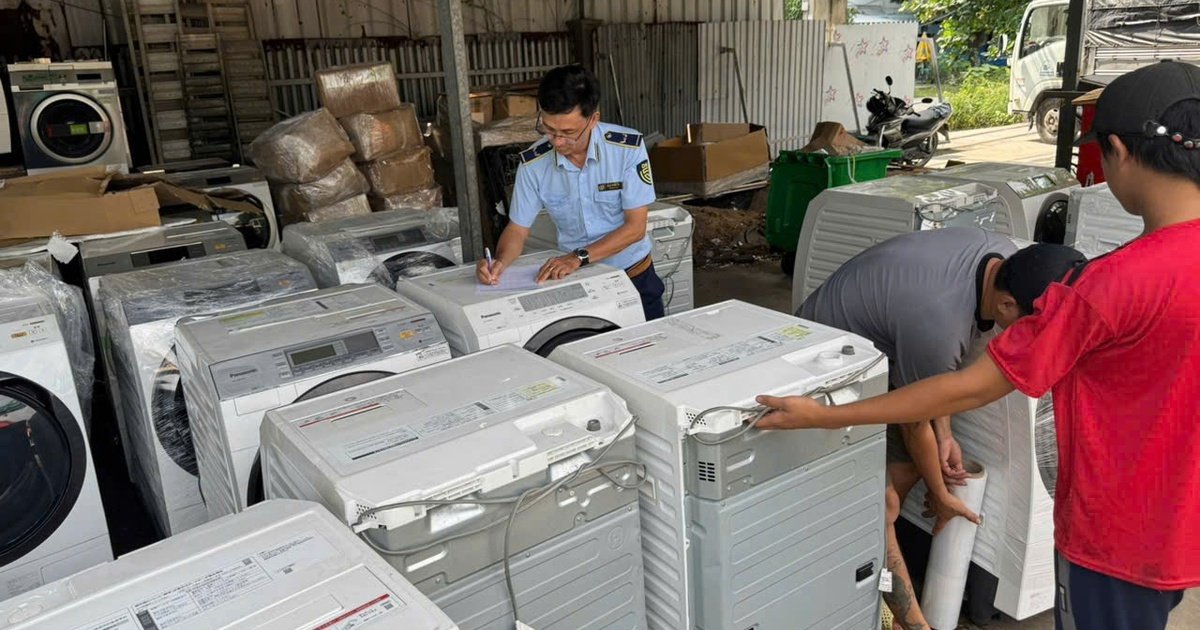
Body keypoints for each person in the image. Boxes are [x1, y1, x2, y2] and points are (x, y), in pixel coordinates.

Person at [754, 61, 1200, 630]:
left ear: (1116, 151)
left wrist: (819, 416)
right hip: (1180, 530)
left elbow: (965, 388)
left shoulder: (1110, 286)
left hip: (1112, 539)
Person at [796, 227, 1085, 630]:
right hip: (821, 361)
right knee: (884, 496)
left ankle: (873, 544)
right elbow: (916, 419)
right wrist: (941, 495)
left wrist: (945, 437)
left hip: (882, 345)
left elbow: (937, 386)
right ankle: (886, 580)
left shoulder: (1004, 258)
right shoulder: (939, 323)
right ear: (1006, 304)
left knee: (917, 466)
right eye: (1031, 327)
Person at [476, 64, 665, 320]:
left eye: (568, 133)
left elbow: (635, 228)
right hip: (578, 281)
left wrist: (577, 257)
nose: (557, 142)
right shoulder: (533, 163)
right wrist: (500, 262)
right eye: (549, 129)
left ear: (593, 119)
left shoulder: (627, 149)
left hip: (633, 276)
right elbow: (518, 229)